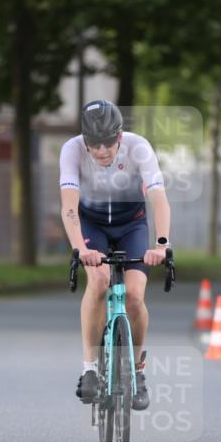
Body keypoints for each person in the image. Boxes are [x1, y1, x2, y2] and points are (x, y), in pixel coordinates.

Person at [60, 100, 171, 412]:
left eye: (108, 142)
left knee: (134, 296)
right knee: (98, 281)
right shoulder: (72, 149)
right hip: (91, 225)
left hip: (131, 225)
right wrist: (79, 249)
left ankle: (137, 371)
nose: (101, 150)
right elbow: (69, 204)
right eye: (94, 144)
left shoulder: (139, 147)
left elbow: (159, 200)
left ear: (120, 136)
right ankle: (89, 369)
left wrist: (161, 245)